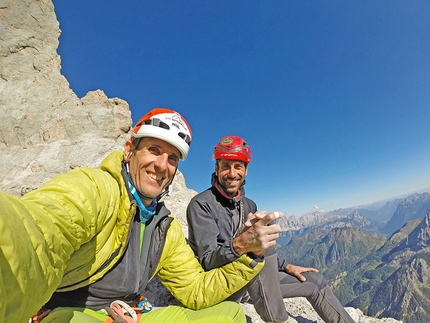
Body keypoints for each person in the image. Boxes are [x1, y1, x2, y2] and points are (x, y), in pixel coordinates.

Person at [0, 109, 282, 323]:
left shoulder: (163, 226)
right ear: (129, 151)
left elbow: (196, 290)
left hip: (131, 313)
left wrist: (248, 251)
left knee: (231, 314)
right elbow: (35, 233)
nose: (162, 165)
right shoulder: (95, 189)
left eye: (172, 158)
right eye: (154, 150)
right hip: (74, 313)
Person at [186, 135, 356, 323]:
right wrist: (241, 244)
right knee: (259, 247)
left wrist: (287, 266)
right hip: (223, 285)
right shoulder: (201, 205)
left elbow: (264, 247)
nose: (232, 173)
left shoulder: (249, 205)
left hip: (251, 283)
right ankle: (276, 320)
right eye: (226, 166)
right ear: (217, 168)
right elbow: (207, 261)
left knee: (313, 281)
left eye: (238, 166)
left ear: (246, 171)